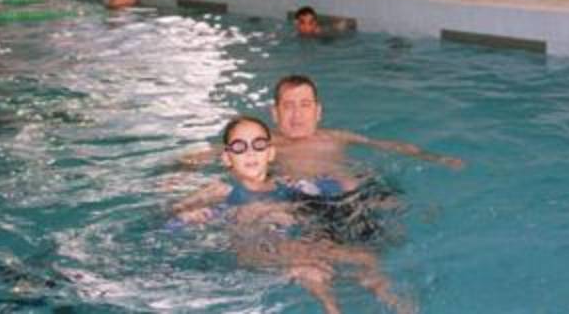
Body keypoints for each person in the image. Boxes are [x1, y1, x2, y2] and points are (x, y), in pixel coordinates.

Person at [171, 115, 412, 314]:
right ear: (227, 158)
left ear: (271, 153)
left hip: (295, 242)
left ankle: (399, 306)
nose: (250, 153)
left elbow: (330, 191)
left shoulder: (288, 186)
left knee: (364, 258)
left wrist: (360, 189)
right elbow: (174, 218)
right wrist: (187, 215)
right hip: (256, 251)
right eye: (239, 147)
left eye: (258, 145)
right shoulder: (219, 191)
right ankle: (332, 309)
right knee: (311, 268)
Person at [178, 74, 463, 194]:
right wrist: (176, 172)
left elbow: (388, 146)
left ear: (318, 111)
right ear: (275, 113)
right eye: (288, 106)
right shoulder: (265, 145)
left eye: (305, 105)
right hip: (304, 201)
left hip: (349, 194)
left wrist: (436, 157)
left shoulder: (336, 137)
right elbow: (215, 154)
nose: (297, 114)